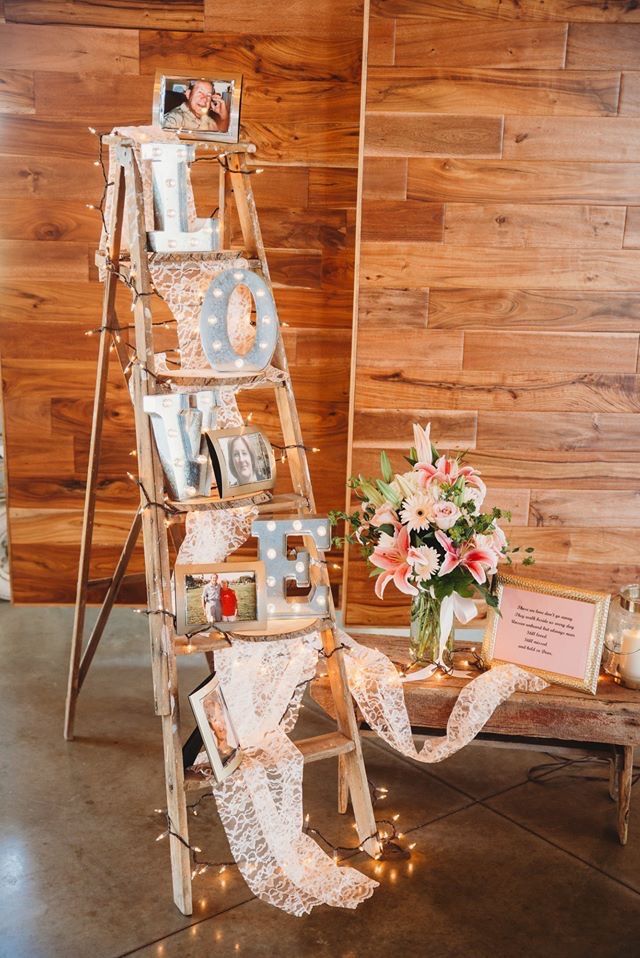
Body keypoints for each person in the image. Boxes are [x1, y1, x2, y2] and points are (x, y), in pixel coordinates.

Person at [163, 79, 230, 133]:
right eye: (200, 92)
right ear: (188, 94)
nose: (205, 98)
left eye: (209, 95)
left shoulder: (210, 122)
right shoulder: (173, 120)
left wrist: (224, 117)